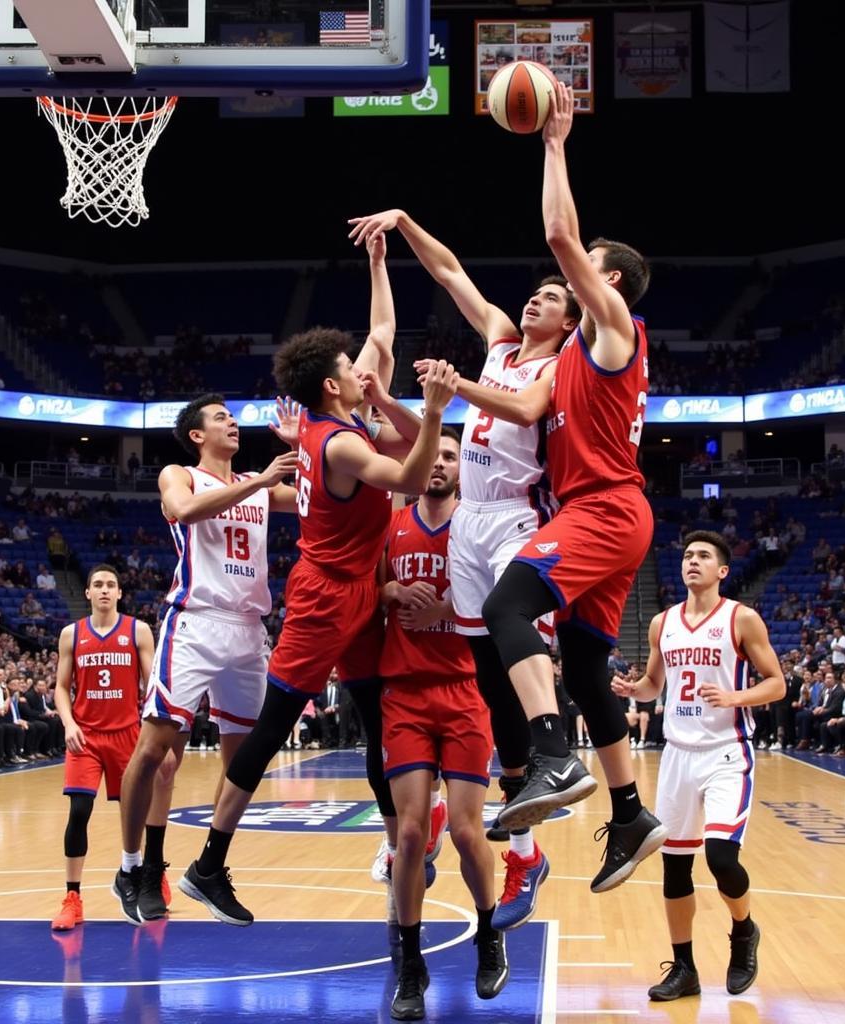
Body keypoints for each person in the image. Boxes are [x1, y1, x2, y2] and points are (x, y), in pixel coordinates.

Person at [411, 82, 661, 893]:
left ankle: (551, 754)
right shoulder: (544, 346)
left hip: (600, 508)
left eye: (584, 273)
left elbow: (559, 232)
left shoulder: (605, 336)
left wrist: (554, 141)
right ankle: (628, 814)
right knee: (589, 667)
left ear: (608, 284)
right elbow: (458, 279)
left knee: (511, 610)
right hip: (598, 511)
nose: (568, 272)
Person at [348, 207, 581, 929]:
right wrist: (407, 223)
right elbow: (451, 272)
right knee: (483, 676)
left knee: (513, 643)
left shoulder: (557, 362)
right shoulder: (503, 339)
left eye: (553, 296)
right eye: (535, 292)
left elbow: (523, 408)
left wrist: (448, 393)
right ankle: (526, 844)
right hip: (470, 521)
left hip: (515, 513)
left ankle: (555, 748)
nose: (537, 297)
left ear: (570, 323)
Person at [176, 329, 458, 926]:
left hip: (358, 589)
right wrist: (431, 410)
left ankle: (395, 850)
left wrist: (385, 396)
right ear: (332, 385)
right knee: (272, 726)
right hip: (325, 595)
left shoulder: (325, 428)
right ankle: (208, 863)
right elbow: (411, 476)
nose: (364, 370)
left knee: (379, 714)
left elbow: (383, 343)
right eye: (351, 369)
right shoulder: (338, 443)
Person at [111, 393, 300, 924]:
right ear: (198, 435)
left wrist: (300, 446)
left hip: (247, 630)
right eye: (221, 418)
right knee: (154, 752)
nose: (232, 422)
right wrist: (261, 481)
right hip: (194, 622)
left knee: (243, 762)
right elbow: (185, 510)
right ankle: (136, 868)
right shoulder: (181, 474)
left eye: (233, 417)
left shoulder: (262, 489)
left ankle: (211, 867)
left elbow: (322, 496)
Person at [612, 531, 784, 1000]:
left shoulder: (741, 619)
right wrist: (635, 691)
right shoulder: (662, 623)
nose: (692, 561)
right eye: (687, 555)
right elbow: (653, 683)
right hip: (677, 757)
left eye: (703, 556)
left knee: (721, 857)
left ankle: (744, 930)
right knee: (675, 869)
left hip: (727, 752)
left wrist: (735, 696)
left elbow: (777, 684)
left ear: (722, 571)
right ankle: (684, 969)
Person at [380, 430, 507, 1018]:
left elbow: (504, 600)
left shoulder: (478, 524)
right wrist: (392, 589)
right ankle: (410, 959)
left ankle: (489, 931)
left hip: (463, 690)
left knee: (463, 830)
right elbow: (372, 584)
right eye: (432, 455)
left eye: (450, 457)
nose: (438, 464)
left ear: (464, 468)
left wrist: (448, 610)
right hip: (404, 690)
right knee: (408, 835)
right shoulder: (393, 521)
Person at [51, 565, 156, 932]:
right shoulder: (70, 634)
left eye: (111, 584)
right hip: (86, 737)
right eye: (98, 585)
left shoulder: (137, 630)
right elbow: (62, 687)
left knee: (134, 814)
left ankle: (144, 875)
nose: (105, 590)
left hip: (127, 734)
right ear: (88, 593)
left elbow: (152, 684)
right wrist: (69, 723)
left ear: (120, 593)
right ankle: (72, 897)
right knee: (79, 810)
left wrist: (151, 727)